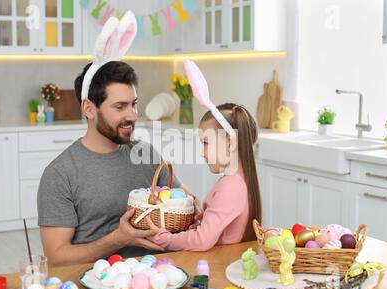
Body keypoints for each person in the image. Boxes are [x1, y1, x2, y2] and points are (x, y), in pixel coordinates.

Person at [37, 61, 184, 266]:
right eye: (120, 106)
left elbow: (184, 204)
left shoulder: (146, 154)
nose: (132, 115)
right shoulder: (60, 174)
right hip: (96, 282)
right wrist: (117, 239)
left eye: (133, 104)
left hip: (157, 274)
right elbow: (57, 257)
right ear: (89, 108)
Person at [147, 103, 262, 251]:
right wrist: (205, 217)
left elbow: (202, 240)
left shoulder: (231, 186)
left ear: (229, 143)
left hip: (220, 264)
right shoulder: (238, 180)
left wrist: (166, 239)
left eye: (206, 143)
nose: (202, 153)